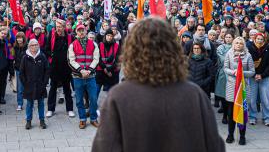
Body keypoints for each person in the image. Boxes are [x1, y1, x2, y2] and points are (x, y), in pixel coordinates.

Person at [91, 18, 225, 152]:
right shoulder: (194, 94)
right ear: (173, 49)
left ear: (132, 51)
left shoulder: (119, 96)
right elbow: (214, 145)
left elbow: (104, 146)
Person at [223, 36, 255, 145]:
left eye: (241, 43)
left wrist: (242, 72)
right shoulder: (229, 54)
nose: (238, 45)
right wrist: (234, 72)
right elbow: (225, 68)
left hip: (243, 87)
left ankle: (242, 136)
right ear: (233, 44)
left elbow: (252, 71)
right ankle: (230, 134)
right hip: (232, 86)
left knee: (242, 113)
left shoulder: (248, 55)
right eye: (236, 43)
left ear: (243, 45)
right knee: (231, 113)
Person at [68, 23, 100, 129]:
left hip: (91, 77)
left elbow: (96, 58)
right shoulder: (72, 45)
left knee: (94, 99)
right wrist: (81, 70)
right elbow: (71, 60)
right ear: (76, 32)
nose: (81, 32)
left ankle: (93, 118)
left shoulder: (93, 44)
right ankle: (82, 119)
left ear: (86, 31)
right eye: (79, 30)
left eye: (83, 30)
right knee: (79, 100)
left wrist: (89, 70)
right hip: (78, 77)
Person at [44, 19, 75, 118]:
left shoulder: (70, 37)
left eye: (60, 26)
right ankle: (50, 109)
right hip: (54, 67)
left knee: (67, 89)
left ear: (64, 27)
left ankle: (69, 109)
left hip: (66, 67)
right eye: (57, 27)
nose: (58, 28)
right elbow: (46, 49)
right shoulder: (51, 36)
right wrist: (51, 57)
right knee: (53, 88)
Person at [20, 38, 50, 130]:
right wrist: (25, 83)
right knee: (29, 103)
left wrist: (44, 82)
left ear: (38, 46)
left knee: (41, 103)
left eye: (36, 45)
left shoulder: (42, 56)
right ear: (29, 46)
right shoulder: (25, 57)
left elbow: (47, 70)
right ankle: (28, 120)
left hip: (40, 84)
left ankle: (42, 120)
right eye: (32, 45)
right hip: (29, 85)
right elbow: (22, 72)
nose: (34, 46)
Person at [247, 32, 269, 126]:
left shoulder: (268, 49)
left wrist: (262, 75)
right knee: (252, 99)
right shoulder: (249, 49)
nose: (259, 40)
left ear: (264, 40)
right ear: (255, 39)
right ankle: (252, 117)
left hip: (264, 77)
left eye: (261, 39)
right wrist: (254, 75)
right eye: (258, 39)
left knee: (265, 99)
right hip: (252, 77)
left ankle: (267, 117)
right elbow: (248, 64)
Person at [215, 32, 234, 124]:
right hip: (223, 73)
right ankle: (225, 115)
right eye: (227, 37)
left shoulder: (236, 47)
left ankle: (231, 115)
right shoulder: (220, 47)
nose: (228, 38)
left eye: (230, 37)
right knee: (223, 95)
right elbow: (222, 59)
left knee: (232, 96)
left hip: (233, 73)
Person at [96, 29, 120, 99]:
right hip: (100, 71)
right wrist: (105, 68)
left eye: (111, 36)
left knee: (110, 95)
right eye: (108, 35)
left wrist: (109, 69)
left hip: (112, 72)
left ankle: (109, 108)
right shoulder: (100, 45)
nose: (109, 37)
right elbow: (97, 58)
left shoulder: (116, 46)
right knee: (95, 92)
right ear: (105, 36)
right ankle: (93, 108)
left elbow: (118, 60)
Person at [12, 32, 28, 111]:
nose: (19, 39)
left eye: (20, 38)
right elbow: (12, 57)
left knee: (28, 86)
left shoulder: (27, 47)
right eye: (17, 38)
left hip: (27, 69)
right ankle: (20, 103)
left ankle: (29, 101)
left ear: (23, 38)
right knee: (20, 87)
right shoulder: (14, 47)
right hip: (18, 69)